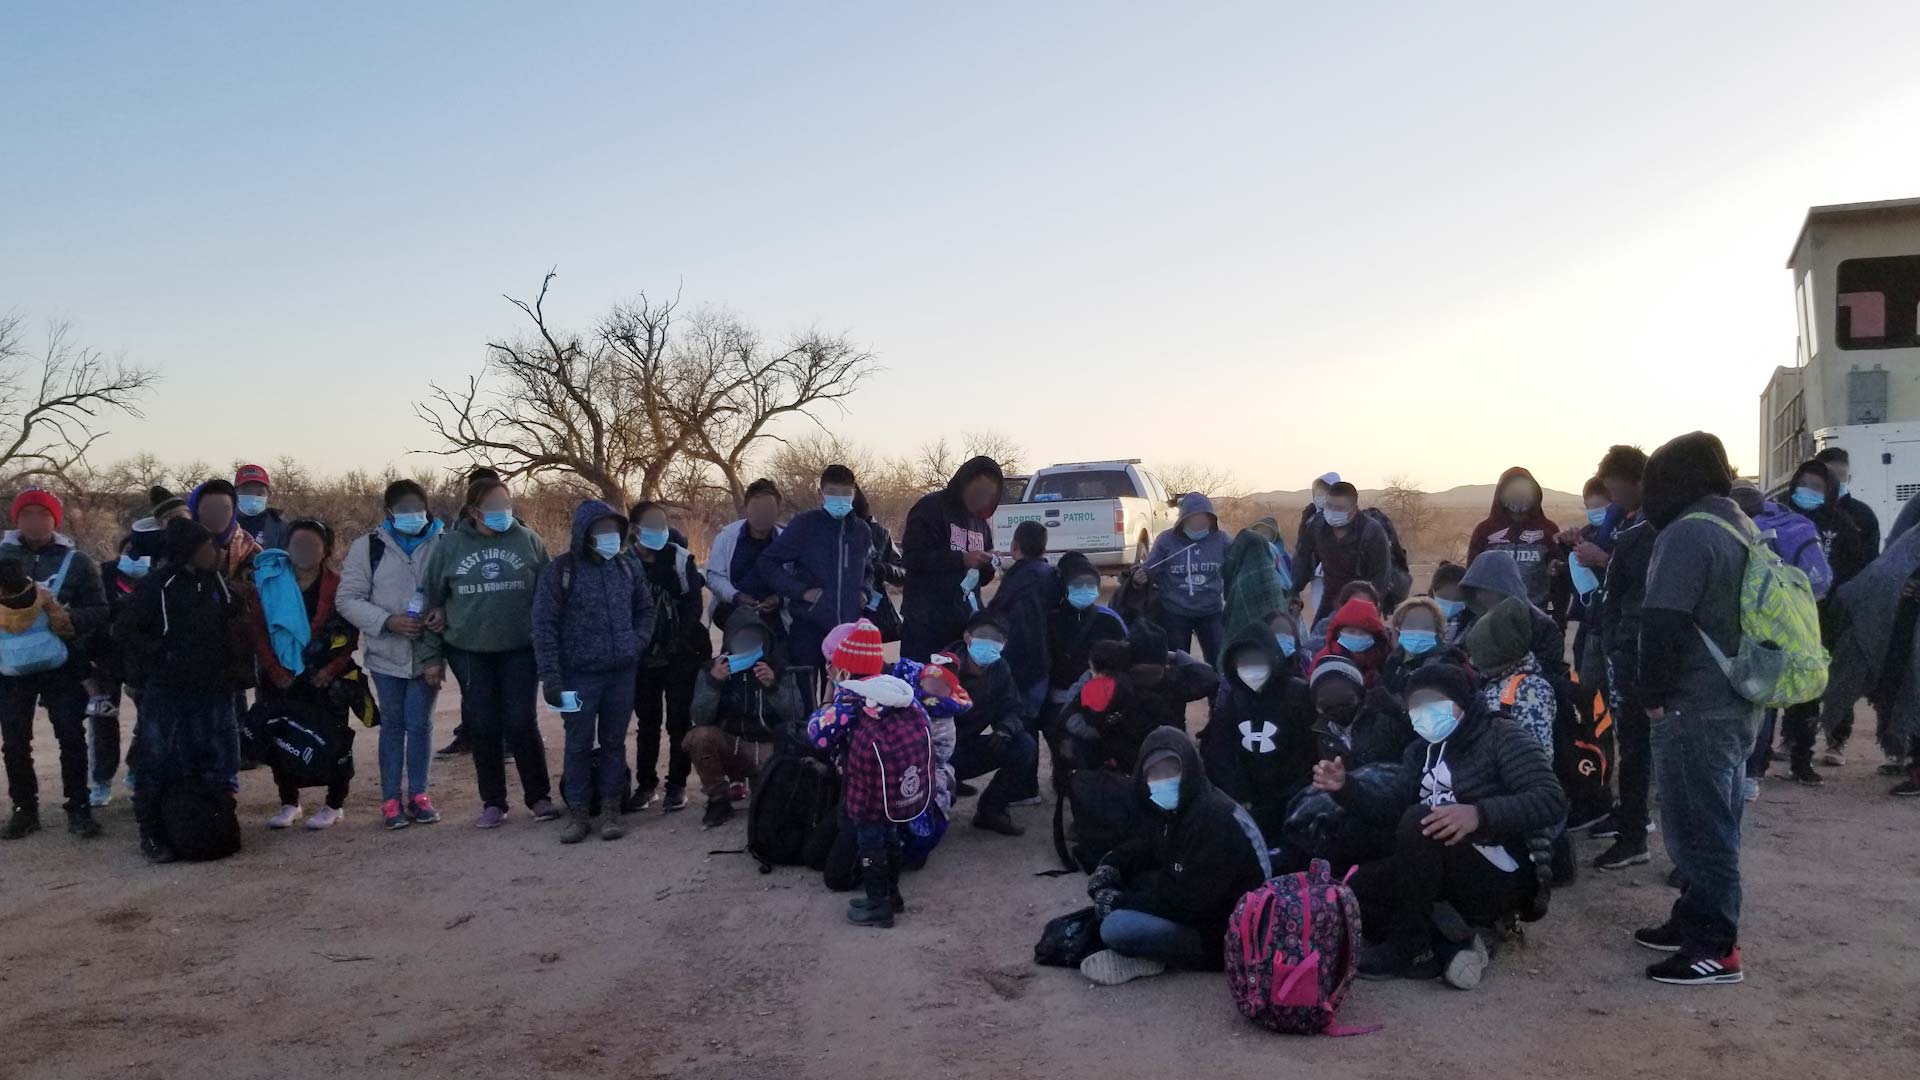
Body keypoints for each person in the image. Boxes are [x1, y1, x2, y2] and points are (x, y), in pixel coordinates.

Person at [1331, 663, 1566, 989]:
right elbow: (1390, 810)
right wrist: (1345, 790)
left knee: (1419, 819)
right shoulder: (1419, 752)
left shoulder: (1500, 734)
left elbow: (1551, 800)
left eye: (1433, 702)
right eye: (1416, 706)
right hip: (1438, 867)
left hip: (1503, 870)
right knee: (1357, 891)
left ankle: (1409, 950)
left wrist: (1479, 814)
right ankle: (1452, 944)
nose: (1424, 713)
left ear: (1461, 701)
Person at [1631, 430, 1759, 985]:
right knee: (1715, 819)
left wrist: (1652, 699)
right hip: (1732, 699)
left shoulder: (1687, 534)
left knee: (1700, 829)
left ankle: (1714, 946)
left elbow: (1662, 621)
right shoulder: (1736, 522)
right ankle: (1694, 920)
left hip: (1693, 705)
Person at [1078, 727, 1272, 985]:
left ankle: (1160, 955)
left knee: (1116, 927)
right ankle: (1151, 950)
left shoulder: (1213, 818)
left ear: (1189, 769)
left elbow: (1188, 904)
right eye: (1154, 773)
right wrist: (1112, 864)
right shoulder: (1180, 807)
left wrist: (1121, 901)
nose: (1163, 780)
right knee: (1128, 887)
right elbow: (1151, 845)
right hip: (1199, 905)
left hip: (1227, 933)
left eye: (1172, 771)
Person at [417, 475, 556, 829]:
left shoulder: (529, 541)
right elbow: (431, 601)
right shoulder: (449, 546)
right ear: (474, 511)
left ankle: (539, 797)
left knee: (522, 722)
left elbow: (550, 596)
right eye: (493, 506)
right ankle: (493, 802)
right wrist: (431, 656)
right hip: (468, 650)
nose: (501, 512)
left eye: (505, 505)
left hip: (520, 649)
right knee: (483, 725)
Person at [116, 519, 248, 863]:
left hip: (215, 688)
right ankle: (152, 831)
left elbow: (233, 624)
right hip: (168, 691)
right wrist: (158, 660)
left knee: (220, 758)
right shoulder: (158, 585)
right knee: (157, 760)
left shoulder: (217, 582)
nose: (212, 553)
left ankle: (216, 822)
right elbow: (127, 631)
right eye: (205, 548)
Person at [532, 500, 655, 843]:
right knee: (577, 744)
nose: (609, 536)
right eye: (601, 529)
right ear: (583, 533)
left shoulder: (627, 567)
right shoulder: (560, 572)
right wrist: (551, 678)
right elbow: (543, 627)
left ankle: (612, 810)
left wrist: (636, 643)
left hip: (621, 674)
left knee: (615, 742)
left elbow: (646, 609)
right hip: (577, 676)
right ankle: (579, 812)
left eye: (614, 529)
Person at [336, 480, 447, 830]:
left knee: (421, 724)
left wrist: (443, 612)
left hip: (428, 652)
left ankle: (419, 795)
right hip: (386, 653)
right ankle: (389, 799)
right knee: (393, 725)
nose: (412, 515)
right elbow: (348, 599)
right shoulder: (368, 547)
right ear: (388, 512)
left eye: (418, 508)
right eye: (403, 509)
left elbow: (455, 588)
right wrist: (387, 622)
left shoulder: (443, 543)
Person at [0, 488, 109, 840]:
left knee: (70, 735)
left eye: (43, 514)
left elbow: (101, 610)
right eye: (28, 514)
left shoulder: (76, 561)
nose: (35, 521)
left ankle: (78, 807)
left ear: (54, 519)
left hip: (61, 660)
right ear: (17, 519)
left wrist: (59, 616)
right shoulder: (2, 555)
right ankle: (24, 809)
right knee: (15, 740)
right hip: (11, 664)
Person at [248, 520, 358, 830]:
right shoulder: (270, 582)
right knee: (281, 737)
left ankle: (334, 804)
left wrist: (329, 670)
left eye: (312, 546)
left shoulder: (338, 585)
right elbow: (257, 629)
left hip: (325, 676)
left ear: (325, 551)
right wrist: (274, 669)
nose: (304, 552)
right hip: (280, 673)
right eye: (297, 545)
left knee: (334, 739)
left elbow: (349, 635)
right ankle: (289, 802)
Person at [1774, 459, 1867, 784]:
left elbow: (1853, 569)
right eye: (1804, 484)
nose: (1808, 492)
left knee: (1808, 690)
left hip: (1819, 620)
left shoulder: (1840, 523)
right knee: (1769, 685)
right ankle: (1756, 762)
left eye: (1817, 487)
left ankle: (1803, 759)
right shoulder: (1779, 515)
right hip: (1777, 615)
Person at [1590, 445, 1660, 870]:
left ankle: (1635, 835)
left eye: (1615, 489)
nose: (1612, 498)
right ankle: (1630, 820)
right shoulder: (1632, 526)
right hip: (1629, 648)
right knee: (1634, 745)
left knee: (1637, 748)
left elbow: (1631, 597)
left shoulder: (1651, 533)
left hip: (1638, 654)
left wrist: (1619, 638)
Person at [757, 464, 873, 702]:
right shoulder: (804, 526)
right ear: (821, 494)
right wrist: (801, 592)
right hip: (809, 626)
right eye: (833, 493)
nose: (840, 500)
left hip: (849, 630)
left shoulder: (861, 530)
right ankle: (808, 736)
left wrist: (865, 592)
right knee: (806, 697)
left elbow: (870, 569)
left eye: (845, 494)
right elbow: (767, 563)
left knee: (848, 698)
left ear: (854, 494)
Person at [627, 501, 708, 814]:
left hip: (680, 653)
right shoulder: (624, 561)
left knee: (678, 721)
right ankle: (646, 785)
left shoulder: (679, 557)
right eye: (651, 523)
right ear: (634, 528)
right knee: (647, 722)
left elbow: (693, 605)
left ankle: (677, 785)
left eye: (663, 523)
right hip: (641, 654)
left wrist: (677, 641)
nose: (659, 529)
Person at [837, 671, 934, 929]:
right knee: (892, 841)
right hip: (896, 805)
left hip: (869, 808)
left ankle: (878, 904)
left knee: (871, 849)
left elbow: (857, 775)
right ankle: (893, 895)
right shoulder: (912, 720)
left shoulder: (869, 733)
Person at [1199, 624, 1314, 840]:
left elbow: (1307, 753)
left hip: (1294, 801)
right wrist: (1240, 794)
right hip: (1246, 802)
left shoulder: (1299, 696)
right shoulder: (1233, 700)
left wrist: (1283, 801)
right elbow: (1219, 751)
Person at [688, 608, 801, 827]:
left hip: (769, 746)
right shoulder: (713, 669)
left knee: (768, 809)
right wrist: (713, 684)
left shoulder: (778, 667)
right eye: (742, 638)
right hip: (732, 747)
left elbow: (796, 714)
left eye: (755, 638)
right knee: (699, 737)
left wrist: (774, 687)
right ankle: (718, 798)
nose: (748, 644)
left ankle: (761, 787)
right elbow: (699, 717)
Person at [1060, 621, 1219, 773]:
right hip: (1141, 757)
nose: (1148, 677)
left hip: (1142, 757)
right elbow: (1209, 675)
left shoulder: (1168, 679)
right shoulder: (1173, 679)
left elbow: (1210, 677)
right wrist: (1172, 656)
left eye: (1153, 671)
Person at [941, 612, 1039, 836]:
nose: (990, 643)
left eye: (997, 639)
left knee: (1024, 745)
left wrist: (1006, 729)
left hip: (968, 747)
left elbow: (1013, 708)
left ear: (1004, 644)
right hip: (934, 753)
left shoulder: (1000, 669)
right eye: (984, 636)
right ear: (967, 637)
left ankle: (991, 810)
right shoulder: (943, 667)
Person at [900, 456, 1003, 663]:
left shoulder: (981, 522)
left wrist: (988, 564)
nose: (982, 500)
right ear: (964, 483)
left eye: (988, 496)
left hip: (964, 625)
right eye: (978, 493)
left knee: (959, 691)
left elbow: (981, 580)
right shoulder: (931, 508)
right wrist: (960, 559)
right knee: (924, 688)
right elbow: (912, 559)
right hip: (926, 624)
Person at [1040, 551, 1128, 791]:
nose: (1085, 588)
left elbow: (1125, 658)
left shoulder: (1109, 619)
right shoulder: (1049, 619)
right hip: (1058, 699)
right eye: (1077, 584)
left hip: (1102, 698)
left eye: (1091, 583)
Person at [86, 528, 158, 804]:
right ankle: (101, 781)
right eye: (130, 551)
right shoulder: (104, 574)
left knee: (148, 720)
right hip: (105, 661)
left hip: (142, 663)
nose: (135, 557)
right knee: (102, 719)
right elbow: (94, 612)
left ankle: (137, 770)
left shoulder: (156, 578)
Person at [1134, 492, 1230, 665]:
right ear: (1184, 519)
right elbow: (1151, 568)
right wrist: (1140, 577)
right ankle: (1181, 692)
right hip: (1175, 611)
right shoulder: (1167, 540)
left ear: (1211, 519)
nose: (1199, 522)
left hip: (1211, 610)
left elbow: (1238, 562)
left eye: (1204, 518)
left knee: (1219, 660)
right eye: (1194, 518)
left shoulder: (1221, 539)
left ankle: (1218, 692)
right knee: (1178, 663)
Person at [1466, 467, 1568, 624]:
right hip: (1492, 619)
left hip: (1535, 615)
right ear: (1501, 494)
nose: (1519, 496)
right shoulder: (1485, 531)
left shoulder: (1548, 530)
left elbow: (1560, 580)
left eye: (1524, 491)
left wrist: (1559, 618)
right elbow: (1472, 577)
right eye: (1512, 491)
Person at [1461, 597, 1558, 756]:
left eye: (1479, 653)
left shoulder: (1529, 692)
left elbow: (1536, 758)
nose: (1473, 660)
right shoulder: (1497, 679)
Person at [985, 521, 1060, 724]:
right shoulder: (1052, 576)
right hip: (1045, 667)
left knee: (1018, 728)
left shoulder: (1016, 579)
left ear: (1014, 546)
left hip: (1018, 670)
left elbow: (996, 618)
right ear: (1044, 548)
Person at [1293, 481, 1393, 626]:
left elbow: (1381, 577)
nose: (1332, 511)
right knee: (1318, 639)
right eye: (1329, 506)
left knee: (1357, 640)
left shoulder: (1372, 532)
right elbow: (1304, 557)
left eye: (1339, 508)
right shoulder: (1318, 526)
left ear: (1353, 510)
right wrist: (1294, 591)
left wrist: (1370, 605)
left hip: (1363, 599)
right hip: (1330, 596)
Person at [1458, 551, 1568, 681]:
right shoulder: (1475, 623)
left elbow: (1548, 670)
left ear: (1503, 588)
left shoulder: (1541, 626)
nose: (1479, 597)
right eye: (1475, 591)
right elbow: (1460, 656)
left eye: (1485, 590)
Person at [705, 478, 783, 631]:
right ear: (746, 508)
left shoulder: (787, 540)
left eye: (768, 509)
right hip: (734, 619)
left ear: (779, 510)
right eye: (756, 509)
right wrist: (736, 596)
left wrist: (779, 598)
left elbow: (798, 580)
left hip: (777, 622)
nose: (762, 514)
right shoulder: (727, 537)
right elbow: (714, 576)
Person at [1380, 596, 1466, 701]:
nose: (1417, 630)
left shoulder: (1447, 664)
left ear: (1437, 631)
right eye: (1410, 625)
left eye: (1426, 627)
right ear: (1398, 628)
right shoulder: (1393, 660)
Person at [1221, 523, 1292, 644]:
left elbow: (1229, 616)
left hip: (1247, 649)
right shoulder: (1274, 580)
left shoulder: (1241, 582)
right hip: (1277, 643)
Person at [189, 479, 265, 584]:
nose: (217, 515)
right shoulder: (179, 553)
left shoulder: (252, 555)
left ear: (233, 512)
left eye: (225, 509)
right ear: (195, 512)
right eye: (209, 509)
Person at [1312, 595, 1392, 688]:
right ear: (1338, 633)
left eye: (1363, 632)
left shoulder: (1383, 658)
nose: (1357, 636)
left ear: (1375, 636)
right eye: (1351, 631)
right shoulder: (1325, 657)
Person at [1815, 446, 1881, 557]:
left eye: (1840, 475)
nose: (1835, 480)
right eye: (1829, 474)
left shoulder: (1863, 514)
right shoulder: (1806, 512)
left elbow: (1871, 559)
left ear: (1848, 479)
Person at [233, 463, 292, 551]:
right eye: (246, 491)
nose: (253, 496)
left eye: (260, 493)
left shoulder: (282, 528)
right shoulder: (222, 523)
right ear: (234, 492)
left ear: (269, 494)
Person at [1429, 561, 1469, 642]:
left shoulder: (1471, 623)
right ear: (1433, 592)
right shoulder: (1417, 615)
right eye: (1444, 597)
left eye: (1458, 599)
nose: (1451, 603)